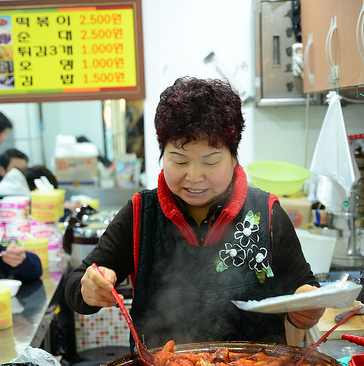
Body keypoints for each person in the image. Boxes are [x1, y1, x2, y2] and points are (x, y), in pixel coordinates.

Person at [65, 77, 324, 350]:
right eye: (179, 160)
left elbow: (303, 287)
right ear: (163, 155)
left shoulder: (266, 214)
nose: (194, 176)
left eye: (210, 162)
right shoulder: (141, 213)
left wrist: (307, 307)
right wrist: (88, 287)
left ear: (234, 157)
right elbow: (76, 282)